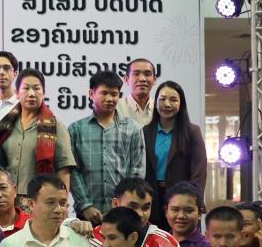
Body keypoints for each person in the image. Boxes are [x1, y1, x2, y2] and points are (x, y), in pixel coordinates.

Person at [69, 71, 145, 224]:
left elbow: (137, 171)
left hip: (123, 214)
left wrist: (123, 205)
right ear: (91, 93)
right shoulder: (76, 129)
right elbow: (72, 171)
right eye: (104, 93)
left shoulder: (132, 129)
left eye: (114, 94)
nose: (110, 99)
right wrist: (85, 206)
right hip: (86, 215)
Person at [0, 68, 75, 206]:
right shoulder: (5, 126)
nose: (31, 94)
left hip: (37, 201)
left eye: (37, 89)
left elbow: (64, 169)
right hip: (6, 200)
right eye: (26, 88)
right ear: (17, 93)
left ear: (43, 93)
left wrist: (62, 203)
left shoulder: (55, 127)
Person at [88, 178, 186, 247]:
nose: (140, 214)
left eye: (146, 208)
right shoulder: (93, 238)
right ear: (115, 204)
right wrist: (70, 222)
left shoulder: (168, 244)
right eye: (132, 206)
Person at [142, 81, 208, 229]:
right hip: (153, 199)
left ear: (181, 103)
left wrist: (194, 201)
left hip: (182, 200)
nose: (167, 104)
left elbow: (199, 172)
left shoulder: (192, 132)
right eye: (162, 99)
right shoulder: (145, 132)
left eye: (173, 100)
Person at [164, 182, 209, 247]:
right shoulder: (158, 241)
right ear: (166, 212)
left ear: (199, 213)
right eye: (175, 210)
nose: (181, 216)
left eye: (189, 211)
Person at [117, 57, 157, 127]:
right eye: (136, 74)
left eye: (147, 74)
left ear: (154, 80)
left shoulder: (160, 108)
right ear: (126, 79)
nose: (142, 79)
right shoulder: (116, 107)